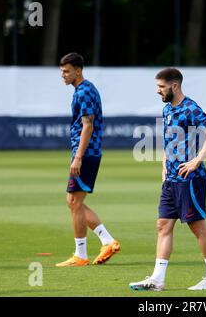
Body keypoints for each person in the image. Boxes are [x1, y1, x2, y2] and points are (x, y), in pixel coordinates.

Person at [129, 68, 206, 291]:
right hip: (171, 179)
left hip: (189, 178)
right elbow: (169, 142)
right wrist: (163, 166)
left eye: (161, 87)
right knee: (163, 225)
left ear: (175, 86)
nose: (157, 91)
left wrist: (197, 161)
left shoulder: (190, 107)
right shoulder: (167, 109)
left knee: (197, 226)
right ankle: (157, 279)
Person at [55, 52, 120, 267]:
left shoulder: (84, 92)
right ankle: (108, 241)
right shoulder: (84, 89)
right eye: (61, 71)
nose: (62, 75)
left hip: (87, 153)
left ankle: (80, 255)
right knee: (74, 202)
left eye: (66, 71)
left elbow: (88, 124)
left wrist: (78, 157)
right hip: (88, 152)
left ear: (78, 70)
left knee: (74, 202)